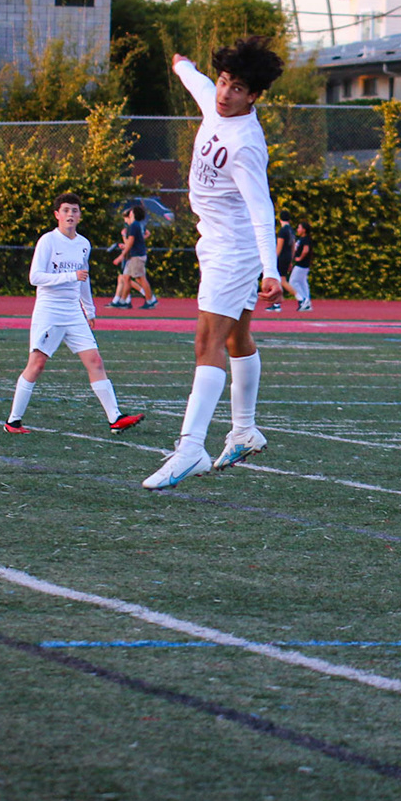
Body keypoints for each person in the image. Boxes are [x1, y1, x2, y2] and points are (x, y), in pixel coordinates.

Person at [140, 37, 285, 491]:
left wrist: (271, 270)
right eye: (224, 81)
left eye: (237, 88)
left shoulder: (246, 144)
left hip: (234, 251)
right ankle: (244, 431)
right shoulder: (214, 101)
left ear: (253, 96)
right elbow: (198, 83)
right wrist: (180, 64)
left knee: (207, 340)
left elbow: (262, 211)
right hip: (216, 243)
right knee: (237, 337)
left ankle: (191, 449)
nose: (224, 92)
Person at [4, 193, 144, 435]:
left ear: (80, 216)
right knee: (36, 364)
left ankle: (115, 418)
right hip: (49, 311)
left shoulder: (83, 244)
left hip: (73, 313)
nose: (70, 214)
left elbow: (83, 279)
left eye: (75, 210)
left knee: (95, 361)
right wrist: (70, 276)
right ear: (57, 214)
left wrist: (89, 309)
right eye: (66, 210)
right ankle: (13, 422)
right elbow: (35, 277)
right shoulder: (48, 241)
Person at [109, 205, 156, 309]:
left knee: (140, 278)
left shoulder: (134, 225)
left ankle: (150, 300)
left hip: (137, 256)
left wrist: (121, 256)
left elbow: (130, 242)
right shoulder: (135, 225)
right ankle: (123, 301)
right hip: (134, 255)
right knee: (126, 277)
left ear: (134, 213)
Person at [267, 216, 294, 311]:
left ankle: (300, 298)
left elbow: (279, 246)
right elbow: (293, 246)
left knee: (278, 280)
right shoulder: (291, 230)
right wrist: (291, 260)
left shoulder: (283, 231)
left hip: (281, 257)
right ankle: (277, 303)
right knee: (282, 280)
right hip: (288, 256)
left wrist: (273, 259)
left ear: (280, 220)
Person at [289, 220, 314, 313]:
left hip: (301, 264)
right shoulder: (302, 239)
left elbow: (306, 250)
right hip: (303, 264)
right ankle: (307, 301)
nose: (297, 229)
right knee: (303, 283)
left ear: (304, 230)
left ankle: (303, 299)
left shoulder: (306, 239)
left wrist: (300, 258)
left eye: (299, 227)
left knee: (293, 282)